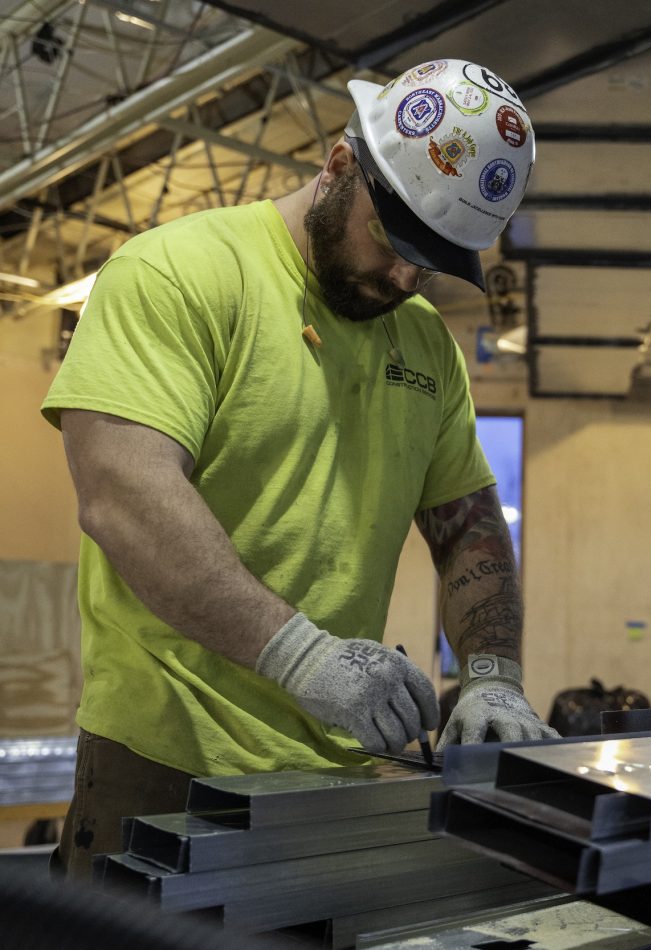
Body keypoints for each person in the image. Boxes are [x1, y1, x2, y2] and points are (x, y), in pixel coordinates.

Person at [41, 58, 558, 881]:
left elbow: (468, 525)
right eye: (392, 241)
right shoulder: (180, 273)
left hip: (340, 769)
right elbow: (124, 498)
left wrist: (493, 678)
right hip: (166, 763)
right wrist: (302, 658)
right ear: (339, 164)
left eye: (430, 264)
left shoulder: (425, 344)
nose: (402, 278)